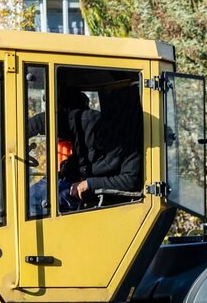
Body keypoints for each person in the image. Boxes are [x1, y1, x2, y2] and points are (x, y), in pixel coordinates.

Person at [28, 84, 143, 212]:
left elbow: (129, 181)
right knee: (25, 197)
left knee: (33, 203)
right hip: (69, 178)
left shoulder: (132, 145)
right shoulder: (91, 122)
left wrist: (89, 184)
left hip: (86, 190)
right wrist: (17, 139)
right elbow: (43, 121)